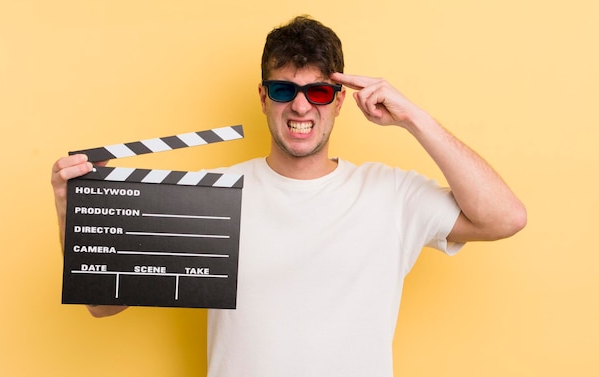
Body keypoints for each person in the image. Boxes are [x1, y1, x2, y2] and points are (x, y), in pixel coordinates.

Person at [51, 15, 526, 377]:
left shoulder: (391, 194)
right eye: (284, 89)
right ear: (263, 96)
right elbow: (103, 302)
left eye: (318, 92)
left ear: (339, 100)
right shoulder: (215, 199)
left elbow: (504, 217)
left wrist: (413, 118)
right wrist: (71, 211)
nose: (301, 106)